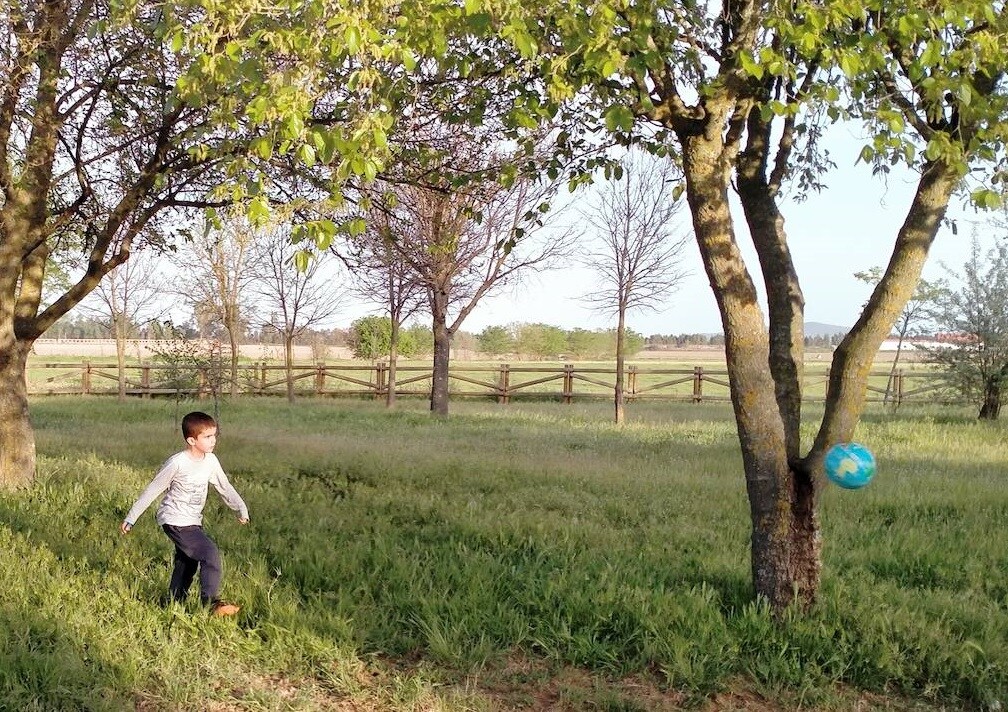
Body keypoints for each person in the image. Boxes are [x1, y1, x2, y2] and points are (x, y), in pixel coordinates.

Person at [120, 411, 249, 617]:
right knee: (209, 553)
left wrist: (240, 507)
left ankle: (172, 603)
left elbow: (225, 487)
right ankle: (212, 603)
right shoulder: (177, 462)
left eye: (214, 435)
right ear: (191, 440)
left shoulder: (211, 461)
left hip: (192, 520)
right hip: (174, 519)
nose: (213, 440)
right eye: (207, 437)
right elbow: (153, 489)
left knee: (187, 561)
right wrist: (131, 517)